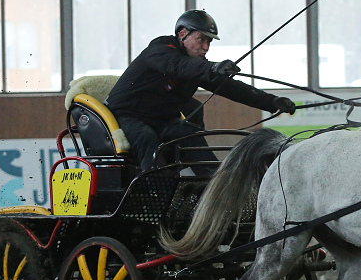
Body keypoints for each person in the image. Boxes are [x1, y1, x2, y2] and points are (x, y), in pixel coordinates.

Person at [106, 9, 296, 173]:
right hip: (125, 116)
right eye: (201, 39)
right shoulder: (159, 50)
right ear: (182, 34)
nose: (206, 47)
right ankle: (153, 196)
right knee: (146, 138)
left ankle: (211, 189)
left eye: (209, 42)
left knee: (191, 134)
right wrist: (212, 68)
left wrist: (271, 102)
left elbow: (231, 88)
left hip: (159, 121)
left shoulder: (197, 66)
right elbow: (179, 66)